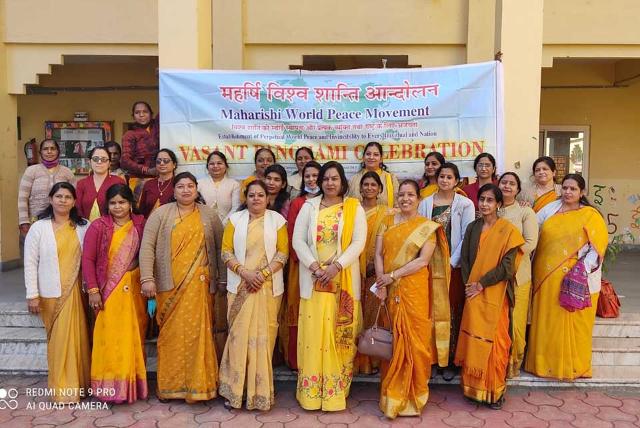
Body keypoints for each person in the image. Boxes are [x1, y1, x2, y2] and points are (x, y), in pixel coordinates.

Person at [139, 172, 225, 403]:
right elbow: (147, 247)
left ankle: (201, 386)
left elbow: (219, 248)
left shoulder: (209, 215)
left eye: (190, 186)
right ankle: (171, 387)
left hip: (200, 287)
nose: (185, 190)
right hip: (168, 287)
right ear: (173, 190)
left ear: (197, 189)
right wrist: (147, 278)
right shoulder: (160, 214)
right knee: (170, 337)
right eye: (180, 186)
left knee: (199, 335)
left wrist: (222, 279)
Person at [293, 161, 366, 411]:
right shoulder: (309, 207)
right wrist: (315, 267)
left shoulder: (353, 208)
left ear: (342, 181)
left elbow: (358, 242)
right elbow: (298, 241)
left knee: (338, 335)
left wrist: (336, 267)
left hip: (341, 279)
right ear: (318, 182)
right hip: (314, 281)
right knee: (314, 335)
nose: (330, 183)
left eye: (334, 178)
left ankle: (336, 391)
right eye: (325, 179)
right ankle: (312, 394)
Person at [374, 180, 450, 419]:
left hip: (413, 289)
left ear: (418, 199)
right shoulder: (385, 221)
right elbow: (377, 253)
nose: (405, 199)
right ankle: (392, 395)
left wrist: (392, 275)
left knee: (414, 338)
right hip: (387, 287)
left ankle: (412, 395)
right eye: (401, 195)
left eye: (410, 195)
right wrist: (381, 281)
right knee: (393, 341)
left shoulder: (427, 227)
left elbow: (422, 261)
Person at [525, 174, 608, 380]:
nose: (568, 192)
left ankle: (574, 366)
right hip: (546, 277)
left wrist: (580, 270)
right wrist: (524, 211)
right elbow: (532, 228)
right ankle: (544, 365)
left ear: (582, 192)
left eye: (573, 189)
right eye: (565, 188)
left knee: (575, 324)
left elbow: (596, 247)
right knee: (546, 322)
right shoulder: (550, 209)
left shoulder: (590, 215)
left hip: (576, 278)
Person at [218, 180, 289, 411]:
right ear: (245, 198)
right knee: (238, 338)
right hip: (240, 286)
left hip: (267, 289)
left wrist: (262, 274)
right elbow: (226, 251)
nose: (256, 199)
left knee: (263, 339)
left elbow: (282, 253)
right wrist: (246, 273)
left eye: (261, 195)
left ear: (268, 199)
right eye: (251, 195)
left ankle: (259, 393)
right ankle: (235, 392)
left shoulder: (277, 221)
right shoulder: (234, 221)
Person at [454, 184, 524, 409]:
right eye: (482, 199)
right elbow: (465, 259)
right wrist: (470, 285)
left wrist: (482, 284)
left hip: (496, 294)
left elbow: (508, 267)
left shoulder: (509, 231)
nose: (484, 204)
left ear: (499, 204)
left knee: (496, 344)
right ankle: (473, 389)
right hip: (472, 293)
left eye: (490, 200)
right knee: (474, 341)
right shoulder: (473, 228)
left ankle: (495, 392)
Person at [23, 182, 90, 403]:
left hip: (77, 293)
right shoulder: (38, 228)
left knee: (78, 339)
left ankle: (79, 386)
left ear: (74, 201)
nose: (63, 200)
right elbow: (30, 262)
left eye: (68, 197)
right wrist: (32, 294)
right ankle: (62, 389)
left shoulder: (83, 226)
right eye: (59, 196)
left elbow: (91, 260)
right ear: (51, 199)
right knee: (59, 342)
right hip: (50, 293)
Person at [82, 184, 147, 403]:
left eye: (122, 202)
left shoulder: (140, 224)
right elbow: (88, 260)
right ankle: (107, 388)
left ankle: (130, 387)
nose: (118, 207)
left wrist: (136, 265)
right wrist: (93, 290)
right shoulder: (98, 226)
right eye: (113, 203)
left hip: (133, 291)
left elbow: (147, 254)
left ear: (130, 203)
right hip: (106, 292)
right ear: (107, 205)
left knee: (131, 337)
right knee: (108, 338)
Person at [418, 162, 475, 380]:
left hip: (452, 269)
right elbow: (421, 233)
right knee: (430, 312)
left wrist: (452, 262)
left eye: (449, 177)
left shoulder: (465, 204)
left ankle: (450, 361)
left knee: (451, 312)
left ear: (456, 181)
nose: (444, 180)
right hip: (429, 266)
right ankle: (432, 358)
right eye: (442, 176)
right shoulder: (425, 203)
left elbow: (466, 236)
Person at [497, 172, 538, 378]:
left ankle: (513, 363)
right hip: (494, 276)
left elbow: (530, 243)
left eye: (512, 183)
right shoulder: (490, 209)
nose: (507, 186)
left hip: (518, 275)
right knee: (498, 320)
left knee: (516, 320)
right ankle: (497, 361)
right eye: (504, 182)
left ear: (518, 189)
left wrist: (505, 257)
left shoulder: (525, 212)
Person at [284, 160, 321, 370]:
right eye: (308, 176)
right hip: (301, 265)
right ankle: (297, 360)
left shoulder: (332, 202)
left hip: (326, 265)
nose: (312, 179)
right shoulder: (298, 203)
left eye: (316, 175)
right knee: (299, 309)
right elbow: (292, 234)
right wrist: (303, 261)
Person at [353, 171, 390, 375]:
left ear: (380, 189)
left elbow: (387, 241)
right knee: (356, 312)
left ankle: (374, 361)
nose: (369, 188)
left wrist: (374, 266)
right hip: (353, 269)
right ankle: (359, 361)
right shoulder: (353, 211)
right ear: (360, 188)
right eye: (365, 184)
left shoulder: (386, 212)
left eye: (373, 185)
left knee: (374, 313)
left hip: (376, 270)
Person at [18, 139, 74, 236]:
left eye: (53, 148)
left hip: (62, 222)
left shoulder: (67, 172)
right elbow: (22, 198)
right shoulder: (31, 171)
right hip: (35, 222)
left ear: (58, 152)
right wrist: (24, 221)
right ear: (40, 152)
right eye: (45, 149)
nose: (49, 152)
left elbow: (73, 197)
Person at [121, 101, 159, 201]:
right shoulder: (130, 134)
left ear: (151, 114)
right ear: (133, 116)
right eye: (137, 112)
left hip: (161, 178)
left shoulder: (158, 127)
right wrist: (147, 170)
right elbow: (125, 160)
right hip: (138, 180)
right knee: (140, 210)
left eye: (145, 112)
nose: (141, 115)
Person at [75, 147, 125, 221]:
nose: (99, 162)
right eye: (95, 159)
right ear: (89, 162)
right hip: (86, 228)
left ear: (109, 163)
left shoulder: (118, 182)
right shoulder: (81, 183)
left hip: (112, 228)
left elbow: (123, 208)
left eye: (104, 159)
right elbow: (77, 208)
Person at [348, 142, 399, 208]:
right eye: (368, 154)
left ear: (381, 159)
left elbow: (398, 205)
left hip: (385, 218)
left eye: (376, 154)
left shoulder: (391, 179)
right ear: (363, 157)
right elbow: (347, 205)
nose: (371, 157)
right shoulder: (354, 180)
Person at [198, 150, 241, 225]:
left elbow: (236, 207)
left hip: (227, 225)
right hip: (203, 225)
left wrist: (223, 224)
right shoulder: (198, 184)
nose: (215, 166)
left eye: (219, 163)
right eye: (212, 163)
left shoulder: (234, 184)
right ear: (207, 167)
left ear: (226, 166)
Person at [138, 149, 177, 218]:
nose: (162, 163)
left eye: (166, 161)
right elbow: (141, 211)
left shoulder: (178, 183)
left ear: (174, 165)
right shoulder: (149, 184)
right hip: (149, 225)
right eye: (158, 161)